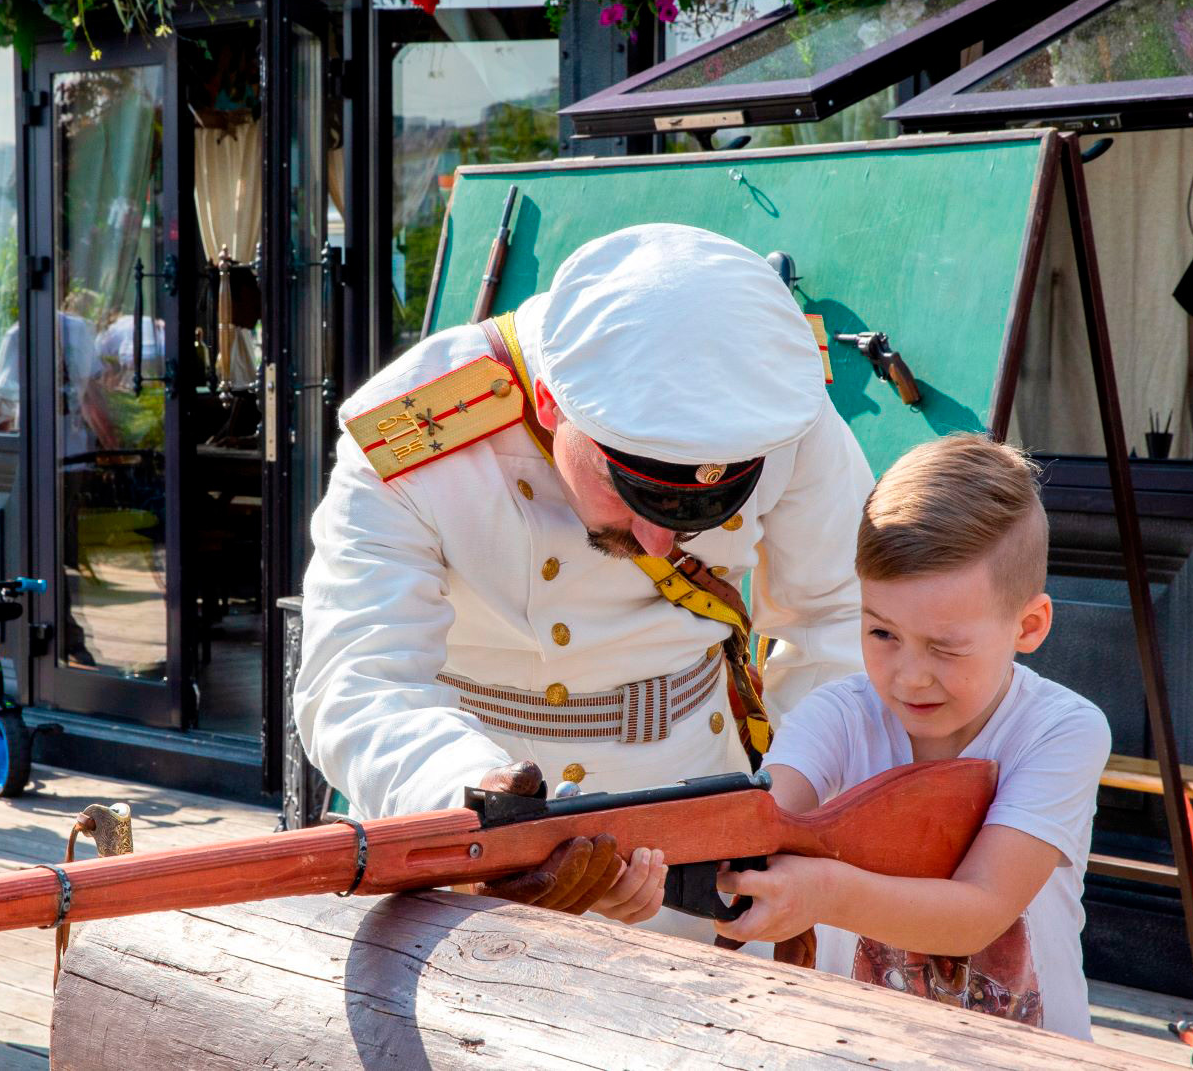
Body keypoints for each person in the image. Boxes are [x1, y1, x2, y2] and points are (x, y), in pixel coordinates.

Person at [294, 223, 874, 935]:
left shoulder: (781, 405)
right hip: (466, 833)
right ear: (548, 404)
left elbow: (837, 620)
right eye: (635, 493)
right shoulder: (413, 432)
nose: (659, 539)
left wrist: (786, 809)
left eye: (698, 514)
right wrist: (481, 814)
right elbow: (357, 682)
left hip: (704, 821)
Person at [719, 434, 1111, 1038]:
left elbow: (976, 913)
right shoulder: (837, 717)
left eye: (945, 647)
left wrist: (820, 891)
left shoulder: (1062, 731)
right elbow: (758, 830)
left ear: (1028, 626)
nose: (909, 675)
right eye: (881, 634)